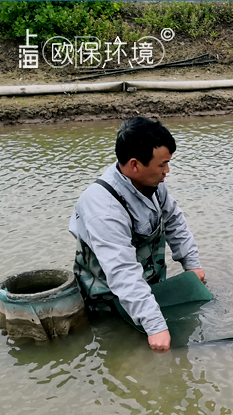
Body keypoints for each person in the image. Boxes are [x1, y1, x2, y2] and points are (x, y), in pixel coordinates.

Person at [69, 117, 205, 352]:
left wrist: (191, 264)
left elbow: (174, 221)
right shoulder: (103, 208)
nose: (167, 171)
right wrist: (155, 325)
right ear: (135, 165)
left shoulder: (153, 184)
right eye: (162, 164)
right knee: (123, 354)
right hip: (109, 299)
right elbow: (122, 271)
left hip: (149, 288)